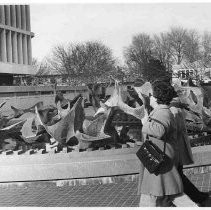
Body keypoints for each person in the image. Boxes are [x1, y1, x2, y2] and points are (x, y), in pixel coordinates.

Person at [137, 81, 196, 207]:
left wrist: (144, 123)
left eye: (152, 95)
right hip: (161, 156)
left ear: (157, 97)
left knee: (167, 195)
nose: (150, 97)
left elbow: (159, 130)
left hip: (161, 158)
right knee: (164, 194)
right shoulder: (161, 110)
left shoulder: (163, 112)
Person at [170, 94, 210, 206]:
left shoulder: (172, 111)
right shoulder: (176, 110)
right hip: (176, 148)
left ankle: (197, 198)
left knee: (176, 175)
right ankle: (198, 196)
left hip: (173, 149)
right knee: (178, 175)